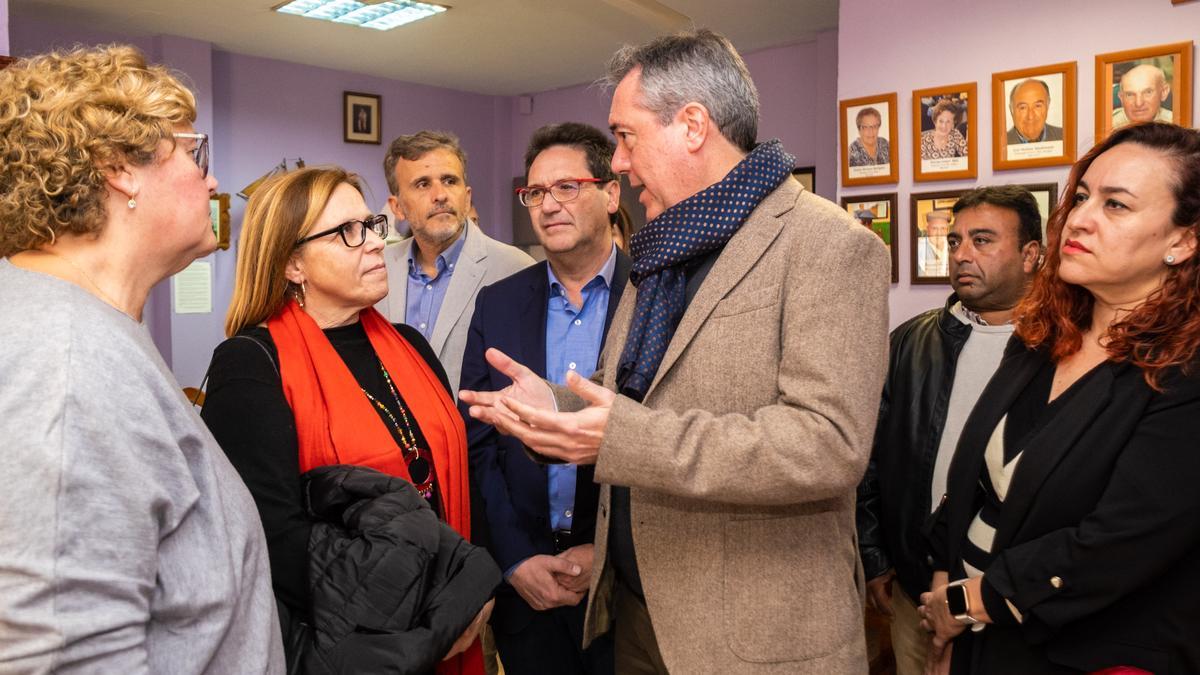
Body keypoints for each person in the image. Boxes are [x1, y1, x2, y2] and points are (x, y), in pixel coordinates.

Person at [462, 29, 890, 674]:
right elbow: (629, 393)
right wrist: (549, 402)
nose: (621, 164)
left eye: (626, 137)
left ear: (692, 125)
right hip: (634, 614)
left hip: (752, 635)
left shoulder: (827, 245)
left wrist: (618, 440)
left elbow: (827, 443)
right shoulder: (663, 255)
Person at [0, 45, 283, 672]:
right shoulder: (66, 362)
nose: (212, 181)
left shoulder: (81, 326)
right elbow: (60, 656)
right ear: (117, 169)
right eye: (191, 151)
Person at [921, 122, 1200, 674]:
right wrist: (942, 578)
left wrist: (967, 603)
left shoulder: (1185, 372)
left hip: (1084, 650)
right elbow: (977, 479)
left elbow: (1117, 544)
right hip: (980, 635)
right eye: (1081, 196)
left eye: (1115, 205)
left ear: (1182, 240)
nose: (1080, 218)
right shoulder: (1042, 338)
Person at [202, 166, 498, 673]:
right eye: (347, 233)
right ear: (293, 263)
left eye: (372, 225)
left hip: (454, 616)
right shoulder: (251, 363)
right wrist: (421, 620)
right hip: (360, 642)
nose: (376, 244)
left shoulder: (410, 345)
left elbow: (458, 478)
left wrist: (476, 587)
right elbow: (271, 535)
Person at [461, 122, 628, 675]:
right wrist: (515, 560)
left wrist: (605, 553)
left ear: (611, 192)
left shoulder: (655, 296)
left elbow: (667, 432)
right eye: (535, 193)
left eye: (567, 187)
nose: (548, 205)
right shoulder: (498, 306)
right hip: (526, 586)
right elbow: (478, 446)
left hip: (626, 585)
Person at [856, 186, 1042, 675]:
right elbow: (869, 455)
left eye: (982, 241)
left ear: (1031, 255)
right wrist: (876, 557)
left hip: (1015, 600)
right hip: (916, 592)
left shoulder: (1062, 348)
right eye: (956, 240)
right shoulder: (911, 343)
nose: (960, 254)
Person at [377, 131, 534, 393]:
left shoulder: (516, 270)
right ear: (397, 207)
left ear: (467, 196)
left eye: (450, 181)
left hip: (476, 430)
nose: (440, 195)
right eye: (422, 184)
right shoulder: (377, 268)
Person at [1112, 63, 1173, 128]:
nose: (1139, 103)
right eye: (1130, 95)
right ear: (1121, 98)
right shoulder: (1110, 124)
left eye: (1148, 92)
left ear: (1164, 92)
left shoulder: (1175, 124)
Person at [1006, 79, 1063, 144]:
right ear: (1011, 110)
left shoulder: (1064, 136)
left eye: (1037, 106)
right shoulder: (1000, 144)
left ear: (1048, 105)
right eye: (1023, 108)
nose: (1030, 116)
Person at [920, 209, 953, 277]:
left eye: (943, 228)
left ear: (947, 230)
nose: (939, 233)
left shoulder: (953, 247)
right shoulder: (920, 248)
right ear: (927, 229)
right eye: (934, 228)